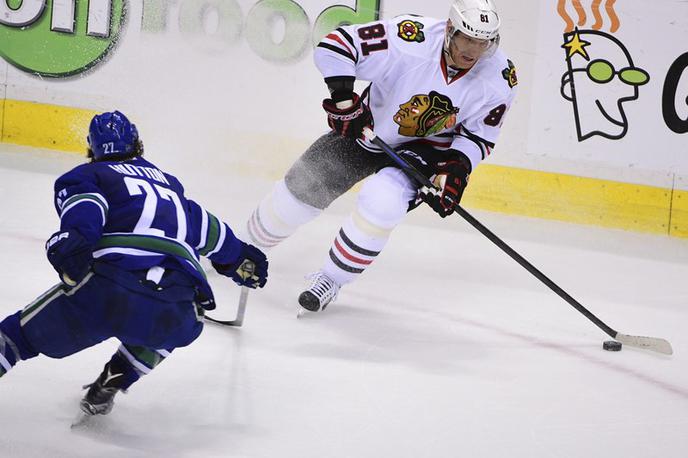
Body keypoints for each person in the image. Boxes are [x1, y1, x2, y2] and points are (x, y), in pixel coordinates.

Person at [243, 0, 517, 313]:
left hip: (427, 151)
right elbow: (336, 46)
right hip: (369, 129)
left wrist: (457, 171)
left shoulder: (500, 77)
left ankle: (331, 279)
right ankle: (241, 246)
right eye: (467, 39)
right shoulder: (409, 38)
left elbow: (477, 136)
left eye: (483, 43)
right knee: (305, 185)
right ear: (450, 31)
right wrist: (346, 103)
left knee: (382, 201)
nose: (473, 50)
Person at [0, 111, 268, 418]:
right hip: (179, 305)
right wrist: (242, 262)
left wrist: (73, 242)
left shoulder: (90, 176)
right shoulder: (172, 188)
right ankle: (113, 381)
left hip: (110, 290)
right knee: (166, 324)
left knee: (14, 337)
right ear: (138, 143)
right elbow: (213, 233)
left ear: (92, 148)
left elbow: (87, 209)